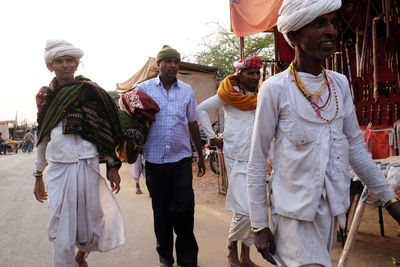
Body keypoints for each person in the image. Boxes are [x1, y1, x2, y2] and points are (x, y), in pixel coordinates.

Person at [246, 1, 400, 266]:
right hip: (293, 215)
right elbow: (258, 161)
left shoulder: (339, 84)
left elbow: (355, 150)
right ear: (293, 35)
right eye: (319, 23)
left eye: (333, 23)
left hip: (331, 212)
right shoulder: (275, 89)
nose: (331, 31)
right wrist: (259, 225)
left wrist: (389, 199)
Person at [33, 39, 125, 267]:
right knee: (59, 223)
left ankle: (81, 255)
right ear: (50, 66)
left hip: (88, 163)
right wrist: (37, 175)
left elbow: (105, 129)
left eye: (70, 60)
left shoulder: (91, 91)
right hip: (59, 166)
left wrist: (113, 166)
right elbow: (43, 135)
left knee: (91, 222)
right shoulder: (45, 96)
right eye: (59, 61)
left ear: (76, 65)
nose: (65, 65)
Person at [136, 45, 206, 267]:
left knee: (184, 209)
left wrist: (201, 155)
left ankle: (188, 259)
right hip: (155, 162)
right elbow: (132, 121)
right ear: (159, 64)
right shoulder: (143, 89)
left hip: (181, 160)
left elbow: (192, 122)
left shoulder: (186, 90)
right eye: (169, 61)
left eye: (176, 62)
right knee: (162, 211)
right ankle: (165, 257)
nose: (173, 66)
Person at [197, 56, 262, 267]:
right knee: (243, 209)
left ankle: (245, 256)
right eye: (250, 73)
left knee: (256, 208)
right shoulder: (228, 94)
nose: (254, 76)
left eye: (257, 73)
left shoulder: (262, 94)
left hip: (258, 156)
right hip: (236, 155)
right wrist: (212, 137)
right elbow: (201, 109)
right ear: (239, 74)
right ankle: (231, 248)